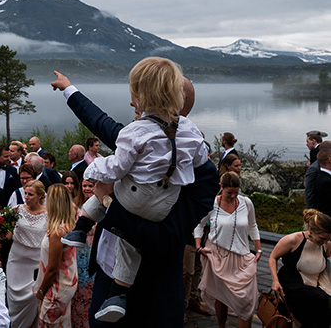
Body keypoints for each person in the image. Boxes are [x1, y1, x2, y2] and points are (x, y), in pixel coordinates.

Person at [51, 69, 219, 326]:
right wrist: (68, 89)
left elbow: (166, 235)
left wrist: (108, 200)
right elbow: (101, 122)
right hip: (104, 280)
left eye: (142, 95)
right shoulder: (142, 138)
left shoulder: (200, 173)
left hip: (152, 296)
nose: (133, 102)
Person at [195, 172, 261, 328]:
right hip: (218, 256)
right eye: (229, 193)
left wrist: (258, 250)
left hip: (243, 256)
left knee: (246, 301)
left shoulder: (246, 202)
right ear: (221, 188)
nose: (233, 196)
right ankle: (221, 325)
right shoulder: (211, 204)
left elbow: (253, 226)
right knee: (221, 297)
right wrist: (199, 247)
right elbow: (199, 225)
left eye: (236, 193)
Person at [268, 208, 331, 327]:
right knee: (321, 300)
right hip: (292, 284)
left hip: (314, 286)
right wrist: (275, 281)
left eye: (328, 239)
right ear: (311, 230)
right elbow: (272, 257)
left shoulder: (326, 244)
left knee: (323, 300)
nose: (325, 242)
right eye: (322, 238)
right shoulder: (293, 240)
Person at [35, 184, 78, 327]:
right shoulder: (68, 225)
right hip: (66, 285)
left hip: (55, 290)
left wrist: (41, 291)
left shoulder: (57, 232)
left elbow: (53, 268)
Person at [6, 180, 47, 328]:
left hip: (36, 262)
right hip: (16, 259)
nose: (26, 197)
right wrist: (3, 234)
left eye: (31, 194)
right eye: (26, 193)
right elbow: (10, 233)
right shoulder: (17, 210)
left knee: (32, 297)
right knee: (13, 297)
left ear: (40, 196)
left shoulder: (48, 214)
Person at [71, 179, 96, 328]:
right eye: (85, 186)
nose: (87, 189)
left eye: (90, 186)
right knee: (79, 292)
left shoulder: (104, 206)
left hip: (95, 253)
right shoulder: (76, 207)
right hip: (79, 253)